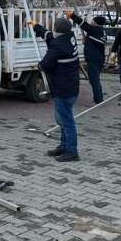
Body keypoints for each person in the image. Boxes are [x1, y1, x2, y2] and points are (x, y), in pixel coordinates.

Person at [39, 17, 80, 162]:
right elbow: (52, 40)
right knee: (62, 119)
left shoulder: (58, 45)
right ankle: (63, 146)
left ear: (57, 30)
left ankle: (72, 151)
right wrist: (39, 29)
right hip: (71, 86)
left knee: (66, 121)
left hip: (62, 88)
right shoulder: (70, 38)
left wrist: (40, 64)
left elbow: (46, 64)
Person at [70, 11, 107, 104]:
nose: (91, 22)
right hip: (97, 58)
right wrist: (86, 41)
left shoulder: (96, 30)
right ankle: (98, 98)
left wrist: (72, 15)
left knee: (94, 80)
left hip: (94, 59)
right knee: (95, 79)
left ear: (96, 23)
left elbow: (83, 24)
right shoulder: (100, 31)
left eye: (92, 21)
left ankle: (98, 100)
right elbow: (94, 42)